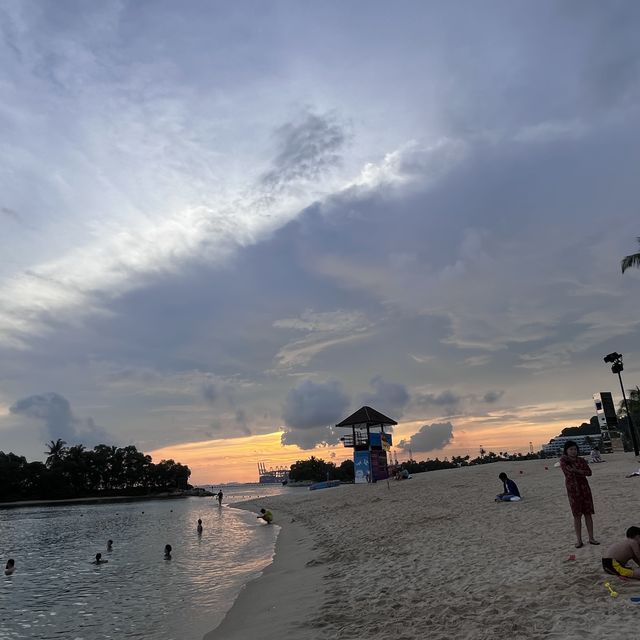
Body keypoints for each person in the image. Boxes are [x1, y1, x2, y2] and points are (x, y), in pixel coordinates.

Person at [560, 440, 599, 548]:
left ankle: (591, 538)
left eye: (575, 449)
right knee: (577, 515)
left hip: (584, 489)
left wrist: (577, 470)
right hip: (573, 490)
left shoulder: (581, 460)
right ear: (566, 450)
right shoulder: (563, 461)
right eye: (571, 449)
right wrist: (580, 471)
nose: (573, 451)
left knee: (588, 513)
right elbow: (568, 471)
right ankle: (579, 540)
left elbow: (589, 472)